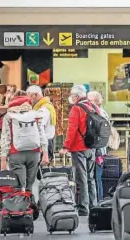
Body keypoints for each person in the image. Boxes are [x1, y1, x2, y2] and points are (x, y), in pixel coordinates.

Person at [59, 85, 99, 216]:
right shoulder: (94, 107)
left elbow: (72, 129)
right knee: (90, 178)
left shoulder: (76, 109)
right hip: (92, 148)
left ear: (76, 96)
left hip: (79, 148)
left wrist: (66, 146)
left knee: (81, 179)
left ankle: (83, 208)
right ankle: (93, 206)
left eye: (72, 95)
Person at [0, 91, 49, 192]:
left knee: (19, 186)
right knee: (29, 185)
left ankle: (21, 205)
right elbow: (42, 134)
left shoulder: (9, 116)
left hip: (16, 154)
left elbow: (6, 138)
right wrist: (45, 153)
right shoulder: (35, 114)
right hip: (34, 153)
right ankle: (30, 205)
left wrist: (3, 160)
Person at [87, 91, 109, 201]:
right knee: (95, 178)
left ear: (95, 102)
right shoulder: (102, 113)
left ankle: (98, 201)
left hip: (97, 151)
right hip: (99, 150)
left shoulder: (98, 114)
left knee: (96, 178)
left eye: (89, 100)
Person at [27, 85, 56, 162]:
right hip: (46, 142)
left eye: (30, 97)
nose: (29, 100)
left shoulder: (43, 109)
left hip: (43, 144)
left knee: (39, 170)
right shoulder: (47, 105)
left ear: (36, 95)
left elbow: (39, 127)